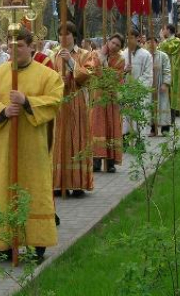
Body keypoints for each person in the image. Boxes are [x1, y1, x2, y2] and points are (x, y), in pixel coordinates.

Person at [0, 27, 63, 264]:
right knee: (2, 187)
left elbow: (55, 99)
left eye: (21, 46)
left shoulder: (46, 75)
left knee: (33, 188)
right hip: (3, 147)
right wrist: (2, 111)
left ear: (31, 47)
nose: (15, 50)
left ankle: (37, 243)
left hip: (32, 147)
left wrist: (27, 102)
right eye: (11, 46)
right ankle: (2, 242)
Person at [50, 22, 94, 197]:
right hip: (58, 102)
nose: (64, 37)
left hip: (77, 102)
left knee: (77, 137)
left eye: (68, 34)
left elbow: (87, 75)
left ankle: (77, 183)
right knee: (58, 139)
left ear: (74, 36)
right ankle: (57, 182)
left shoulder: (84, 54)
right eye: (61, 34)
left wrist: (70, 61)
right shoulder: (53, 55)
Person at [90, 33, 126, 173]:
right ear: (108, 41)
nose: (114, 46)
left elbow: (116, 77)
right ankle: (96, 161)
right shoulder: (96, 54)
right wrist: (102, 59)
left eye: (118, 45)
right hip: (98, 96)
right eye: (113, 43)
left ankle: (111, 162)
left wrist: (105, 70)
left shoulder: (121, 60)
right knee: (98, 126)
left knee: (111, 126)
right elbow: (95, 71)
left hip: (111, 97)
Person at [122, 28, 153, 140]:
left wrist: (137, 85)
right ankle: (125, 138)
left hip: (140, 90)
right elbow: (117, 72)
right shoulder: (123, 54)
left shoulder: (146, 55)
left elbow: (148, 74)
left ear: (138, 38)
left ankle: (140, 140)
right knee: (126, 116)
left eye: (131, 38)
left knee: (140, 115)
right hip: (126, 89)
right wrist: (124, 71)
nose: (129, 40)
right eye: (127, 38)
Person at [159, 24, 180, 121]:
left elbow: (169, 49)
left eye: (164, 29)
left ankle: (172, 117)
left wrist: (162, 39)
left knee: (171, 94)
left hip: (173, 70)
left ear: (168, 30)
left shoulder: (176, 41)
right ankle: (164, 117)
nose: (162, 31)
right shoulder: (165, 41)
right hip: (164, 69)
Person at [146, 37, 172, 136]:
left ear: (157, 43)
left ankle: (165, 129)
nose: (150, 44)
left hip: (161, 85)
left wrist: (165, 83)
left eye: (152, 42)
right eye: (148, 42)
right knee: (151, 107)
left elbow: (167, 70)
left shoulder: (163, 56)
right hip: (150, 86)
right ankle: (153, 129)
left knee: (163, 106)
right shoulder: (146, 56)